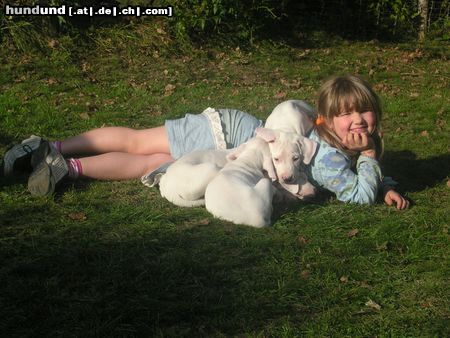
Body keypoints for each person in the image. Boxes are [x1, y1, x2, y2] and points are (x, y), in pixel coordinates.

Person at [3, 75, 408, 209]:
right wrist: (372, 163)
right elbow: (356, 190)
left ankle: (67, 167)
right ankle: (52, 146)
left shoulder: (342, 144)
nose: (357, 121)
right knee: (140, 142)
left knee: (150, 163)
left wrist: (385, 183)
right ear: (330, 118)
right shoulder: (328, 151)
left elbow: (362, 175)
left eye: (364, 112)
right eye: (347, 114)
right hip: (227, 133)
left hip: (229, 148)